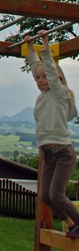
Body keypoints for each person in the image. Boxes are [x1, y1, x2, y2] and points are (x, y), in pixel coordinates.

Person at [25, 29, 79, 239]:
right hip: (48, 152)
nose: (39, 80)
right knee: (46, 195)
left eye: (44, 77)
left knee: (56, 194)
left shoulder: (59, 93)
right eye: (37, 78)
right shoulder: (42, 97)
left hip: (63, 152)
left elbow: (48, 67)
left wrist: (45, 44)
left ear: (56, 78)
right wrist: (30, 47)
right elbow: (35, 66)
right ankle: (72, 225)